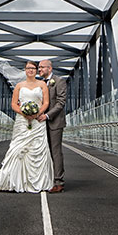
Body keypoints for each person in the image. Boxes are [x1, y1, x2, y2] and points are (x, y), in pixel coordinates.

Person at [0, 61, 54, 193]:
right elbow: (14, 104)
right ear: (25, 70)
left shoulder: (42, 84)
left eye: (33, 68)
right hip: (22, 121)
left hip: (38, 121)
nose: (31, 70)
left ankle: (38, 181)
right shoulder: (19, 86)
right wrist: (25, 113)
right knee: (17, 148)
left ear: (36, 70)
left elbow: (46, 102)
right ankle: (14, 180)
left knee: (37, 149)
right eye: (28, 68)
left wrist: (36, 113)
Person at [37, 59, 67, 193]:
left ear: (49, 68)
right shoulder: (39, 83)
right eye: (38, 68)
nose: (39, 70)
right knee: (43, 151)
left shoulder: (59, 81)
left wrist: (47, 115)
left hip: (54, 122)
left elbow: (60, 102)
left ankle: (58, 182)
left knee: (55, 152)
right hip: (40, 123)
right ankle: (46, 179)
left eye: (41, 67)